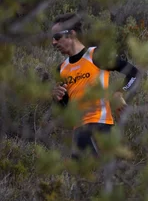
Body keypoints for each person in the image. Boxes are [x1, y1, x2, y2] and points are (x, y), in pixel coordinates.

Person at [50, 13, 140, 158]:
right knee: (81, 179)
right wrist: (58, 98)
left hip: (101, 128)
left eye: (57, 37)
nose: (53, 43)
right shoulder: (61, 69)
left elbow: (134, 74)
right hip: (78, 132)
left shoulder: (95, 55)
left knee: (101, 177)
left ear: (71, 34)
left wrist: (120, 92)